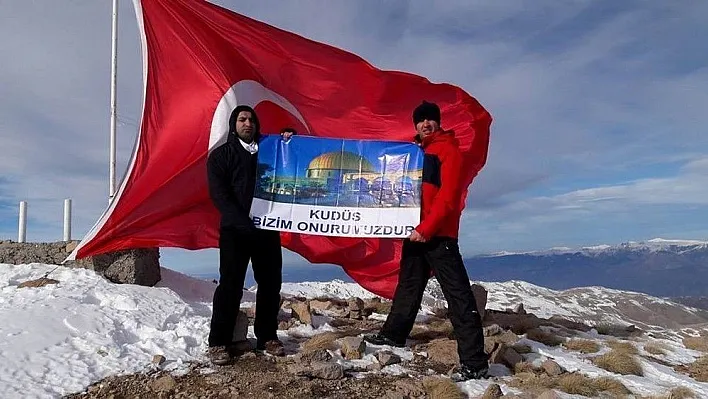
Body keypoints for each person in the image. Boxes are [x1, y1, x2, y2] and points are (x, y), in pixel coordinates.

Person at [364, 101, 489, 381]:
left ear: (438, 122)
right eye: (420, 121)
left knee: (457, 295)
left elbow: (448, 198)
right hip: (416, 232)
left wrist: (427, 228)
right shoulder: (417, 153)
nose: (425, 124)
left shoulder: (449, 151)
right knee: (408, 287)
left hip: (438, 235)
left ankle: (475, 362)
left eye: (430, 120)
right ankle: (394, 335)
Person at [206, 105, 285, 365]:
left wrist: (289, 142)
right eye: (242, 119)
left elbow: (290, 162)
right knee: (230, 286)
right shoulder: (221, 156)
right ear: (234, 124)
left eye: (251, 119)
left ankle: (267, 336)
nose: (247, 123)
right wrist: (243, 222)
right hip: (235, 232)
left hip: (267, 230)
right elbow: (220, 195)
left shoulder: (270, 152)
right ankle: (219, 342)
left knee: (271, 284)